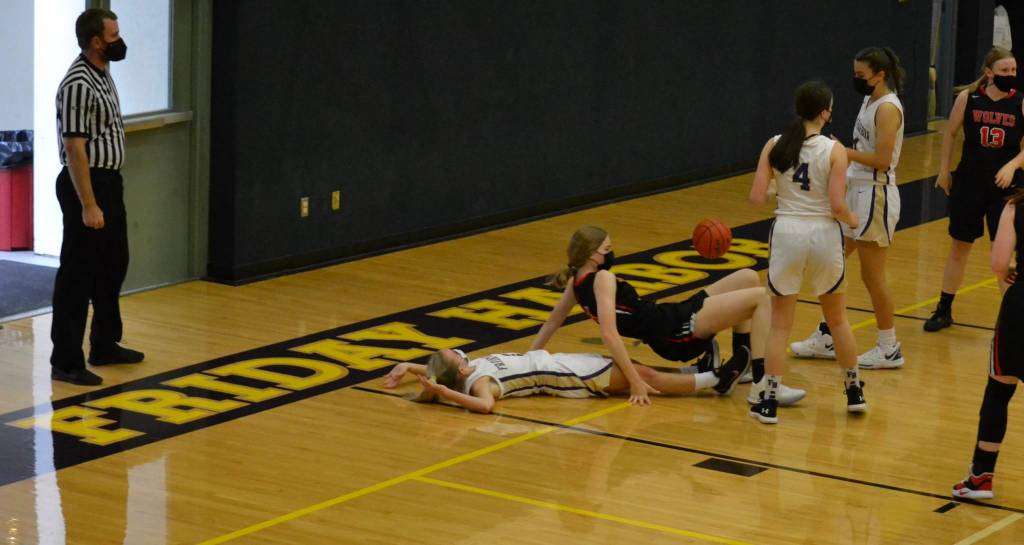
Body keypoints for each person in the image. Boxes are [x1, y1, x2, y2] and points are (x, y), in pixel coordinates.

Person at [528, 227, 805, 407]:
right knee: (761, 298)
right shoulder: (603, 278)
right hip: (675, 332)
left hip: (670, 316)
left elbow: (552, 322)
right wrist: (635, 380)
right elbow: (610, 335)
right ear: (592, 256)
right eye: (607, 250)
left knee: (746, 277)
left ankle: (739, 368)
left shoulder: (576, 283)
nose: (612, 253)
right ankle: (762, 384)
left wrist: (529, 358)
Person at [748, 81, 864, 424]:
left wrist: (772, 187)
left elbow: (756, 199)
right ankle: (854, 391)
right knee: (838, 319)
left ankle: (768, 401)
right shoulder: (835, 150)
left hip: (787, 232)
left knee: (781, 324)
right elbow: (837, 204)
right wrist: (853, 219)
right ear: (825, 112)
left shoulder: (774, 145)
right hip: (823, 234)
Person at [791, 46, 907, 370]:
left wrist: (844, 152)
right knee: (835, 263)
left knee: (873, 277)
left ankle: (889, 347)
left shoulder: (887, 108)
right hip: (857, 191)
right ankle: (828, 334)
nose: (856, 79)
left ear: (879, 75)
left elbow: (883, 161)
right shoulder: (868, 100)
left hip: (876, 194)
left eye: (861, 75)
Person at [50, 8, 143, 386]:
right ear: (95, 42)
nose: (119, 41)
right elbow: (74, 148)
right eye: (113, 36)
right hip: (85, 184)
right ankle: (66, 360)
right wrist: (89, 203)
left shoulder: (103, 74)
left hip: (109, 181)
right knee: (78, 274)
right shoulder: (78, 84)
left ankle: (104, 343)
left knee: (113, 262)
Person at [927, 47, 1024, 331]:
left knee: (1003, 253)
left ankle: (1010, 318)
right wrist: (944, 171)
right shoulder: (968, 98)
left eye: (1014, 71)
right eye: (1005, 71)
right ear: (989, 72)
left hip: (1005, 187)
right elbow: (950, 132)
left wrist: (1013, 165)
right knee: (959, 247)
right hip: (969, 182)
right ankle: (944, 309)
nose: (1011, 75)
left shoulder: (1019, 101)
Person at [382, 348, 747, 413]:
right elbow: (485, 406)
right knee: (643, 376)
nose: (461, 352)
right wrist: (442, 391)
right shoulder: (480, 381)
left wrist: (409, 367)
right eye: (456, 356)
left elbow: (437, 373)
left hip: (561, 360)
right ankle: (716, 379)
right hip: (567, 376)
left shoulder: (465, 369)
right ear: (460, 370)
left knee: (631, 364)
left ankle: (698, 372)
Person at [951, 189, 1024, 499]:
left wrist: (1009, 271)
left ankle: (981, 476)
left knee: (999, 389)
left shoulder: (1015, 207)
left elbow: (998, 263)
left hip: (1020, 306)